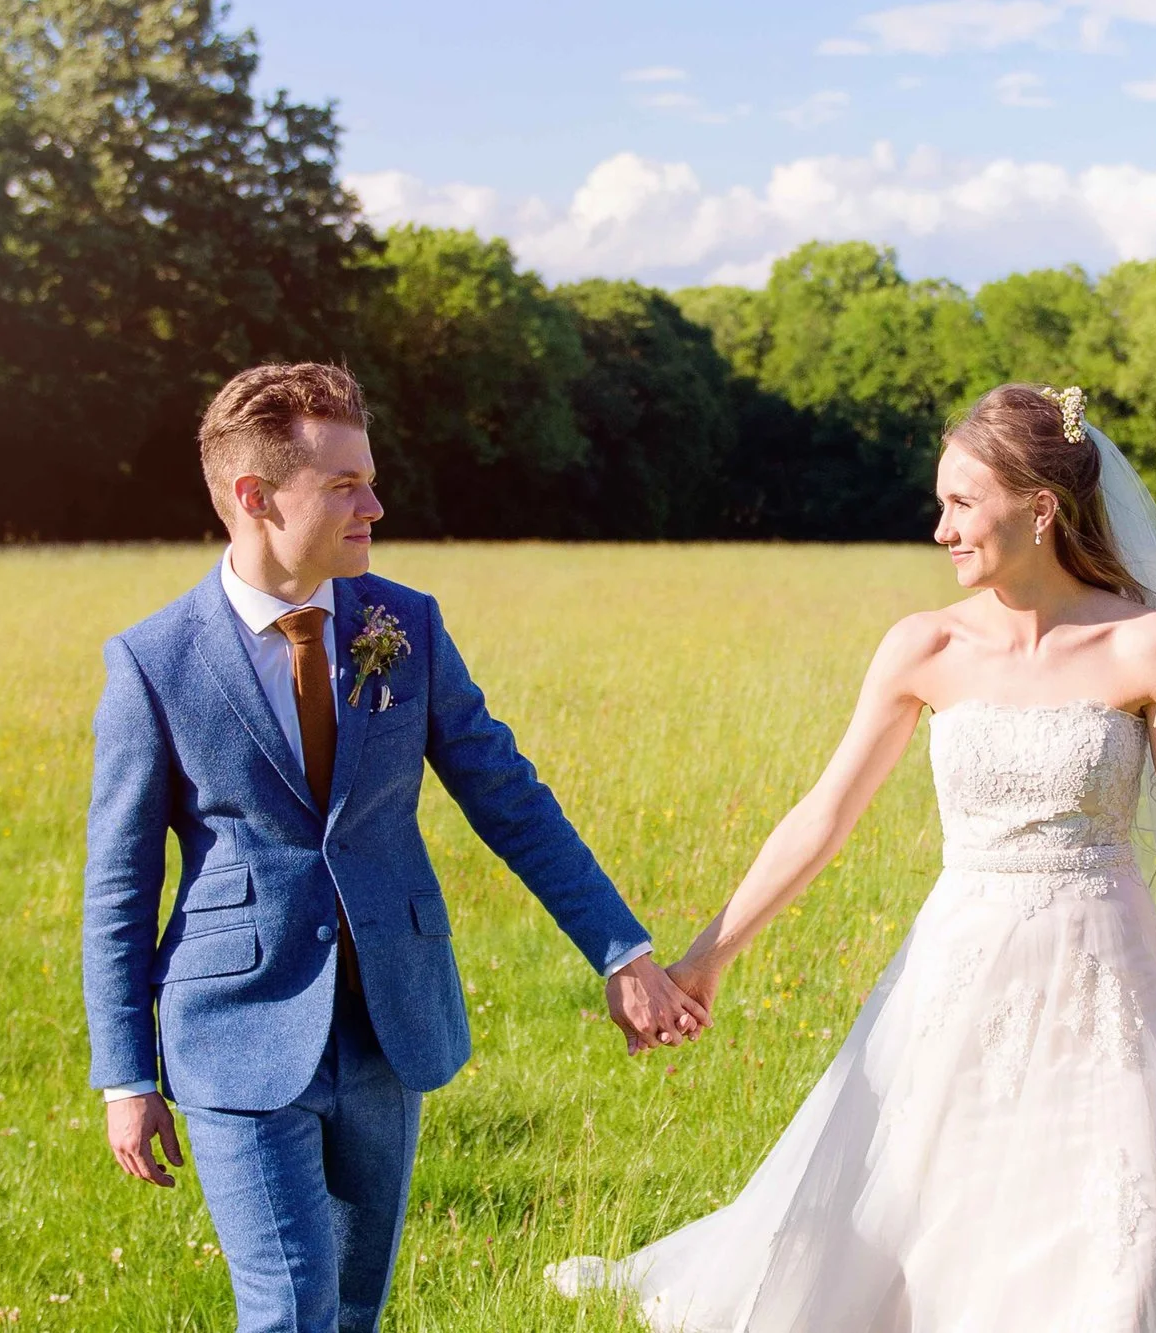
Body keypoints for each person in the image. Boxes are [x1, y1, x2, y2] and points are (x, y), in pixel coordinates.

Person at [550, 383, 1156, 1330]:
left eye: (961, 503)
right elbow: (823, 816)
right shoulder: (922, 644)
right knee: (925, 1228)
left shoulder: (1145, 643)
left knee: (1127, 1234)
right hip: (960, 969)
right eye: (941, 503)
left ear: (1041, 508)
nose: (940, 528)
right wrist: (705, 957)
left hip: (1110, 982)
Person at [82, 361, 709, 1333]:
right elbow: (120, 888)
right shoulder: (154, 664)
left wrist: (620, 949)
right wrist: (127, 1076)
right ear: (254, 498)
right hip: (232, 1032)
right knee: (290, 1306)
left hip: (388, 1021)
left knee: (351, 1307)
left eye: (368, 477)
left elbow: (508, 797)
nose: (374, 503)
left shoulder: (401, 624)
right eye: (343, 486)